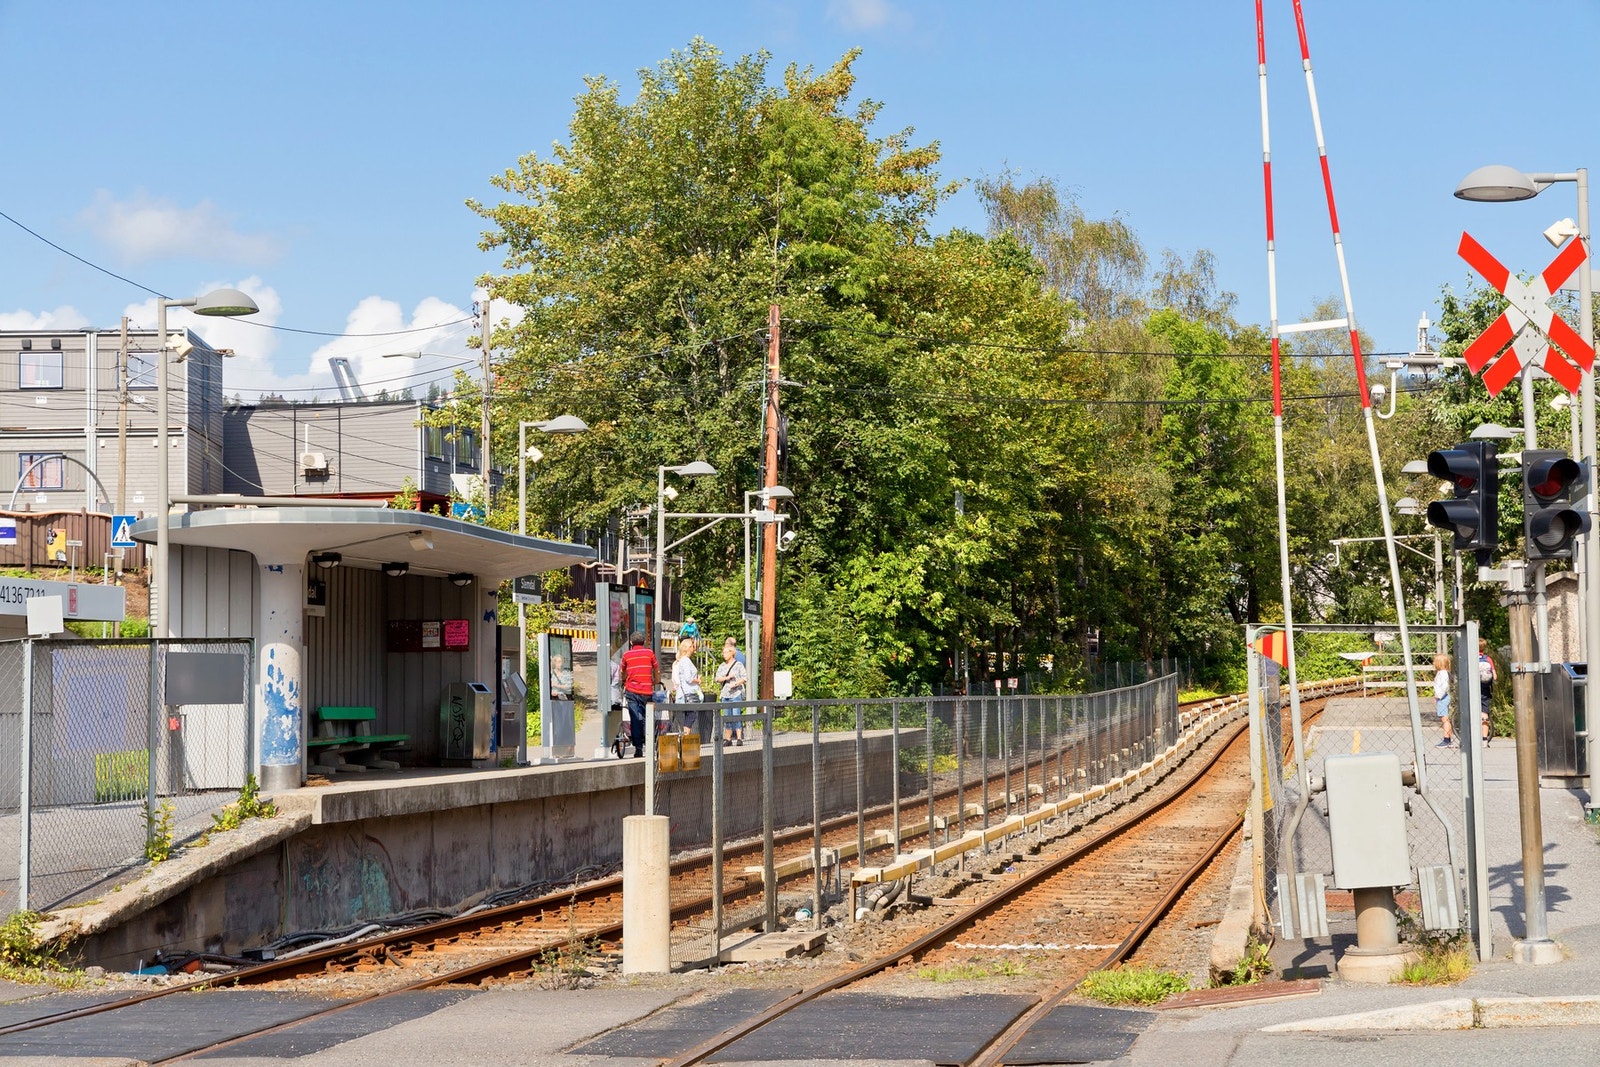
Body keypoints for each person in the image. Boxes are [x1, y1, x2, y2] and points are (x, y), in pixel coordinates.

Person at [618, 631, 660, 758]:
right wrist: (656, 681)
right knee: (648, 717)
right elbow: (656, 669)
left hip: (631, 691)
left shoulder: (626, 655)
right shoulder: (649, 653)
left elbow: (622, 671)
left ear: (631, 642)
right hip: (646, 692)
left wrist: (624, 680)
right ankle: (650, 744)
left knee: (635, 719)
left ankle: (638, 749)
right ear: (644, 642)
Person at [715, 636, 749, 745]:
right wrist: (727, 678)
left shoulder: (738, 665)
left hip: (736, 694)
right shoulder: (722, 666)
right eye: (723, 652)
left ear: (731, 653)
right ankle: (728, 739)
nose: (724, 654)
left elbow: (745, 678)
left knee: (736, 716)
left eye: (726, 652)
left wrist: (736, 683)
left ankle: (739, 738)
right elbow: (717, 678)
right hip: (725, 694)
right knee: (727, 717)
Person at [671, 636, 704, 736]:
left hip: (687, 692)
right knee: (690, 717)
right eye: (693, 646)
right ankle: (685, 737)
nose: (694, 648)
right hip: (688, 692)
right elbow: (688, 678)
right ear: (688, 647)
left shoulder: (684, 660)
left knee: (689, 717)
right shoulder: (685, 660)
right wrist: (698, 680)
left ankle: (685, 737)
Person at [1477, 638, 1496, 747]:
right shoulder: (1488, 659)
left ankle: (1474, 737)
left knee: (1472, 711)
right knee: (1485, 712)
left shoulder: (1472, 659)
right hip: (1486, 689)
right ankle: (1485, 740)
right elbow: (1495, 676)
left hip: (1474, 689)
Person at [1433, 652, 1453, 747]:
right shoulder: (1441, 672)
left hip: (1443, 697)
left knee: (1445, 718)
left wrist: (1438, 696)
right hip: (1442, 697)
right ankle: (1447, 738)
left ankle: (1447, 739)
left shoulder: (1443, 673)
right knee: (1444, 718)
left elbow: (1444, 686)